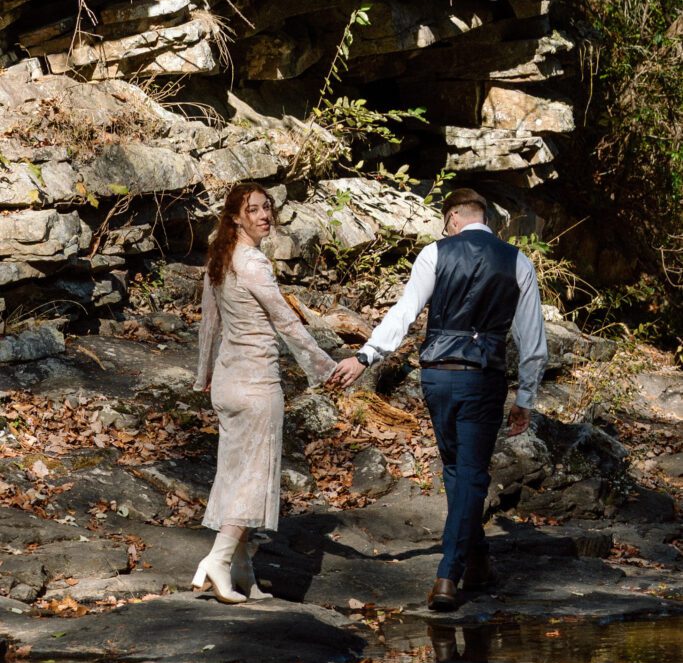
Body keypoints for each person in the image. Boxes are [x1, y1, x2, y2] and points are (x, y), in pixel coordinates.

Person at [329, 188, 547, 611]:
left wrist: (366, 355)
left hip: (438, 376)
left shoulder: (434, 253)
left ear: (453, 217)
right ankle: (450, 573)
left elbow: (405, 312)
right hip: (483, 378)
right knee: (471, 473)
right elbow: (533, 339)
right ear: (485, 218)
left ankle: (476, 561)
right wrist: (526, 396)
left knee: (456, 469)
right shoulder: (517, 261)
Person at [192, 182, 337, 604]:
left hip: (227, 383)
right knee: (253, 478)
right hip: (256, 383)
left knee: (234, 473)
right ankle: (218, 559)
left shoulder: (220, 258)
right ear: (236, 217)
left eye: (267, 208)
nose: (264, 215)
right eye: (253, 209)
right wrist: (324, 367)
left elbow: (209, 324)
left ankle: (243, 572)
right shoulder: (252, 262)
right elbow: (286, 322)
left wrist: (204, 376)